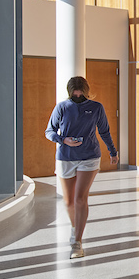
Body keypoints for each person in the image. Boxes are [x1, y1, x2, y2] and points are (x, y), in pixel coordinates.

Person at [46, 74, 116, 260]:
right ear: (70, 93)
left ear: (86, 92)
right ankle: (75, 227)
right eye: (75, 96)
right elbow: (49, 131)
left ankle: (77, 242)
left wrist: (113, 151)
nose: (78, 98)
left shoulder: (96, 108)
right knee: (68, 201)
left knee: (79, 198)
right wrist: (63, 140)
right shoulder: (62, 107)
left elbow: (104, 131)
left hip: (89, 157)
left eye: (81, 95)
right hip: (66, 157)